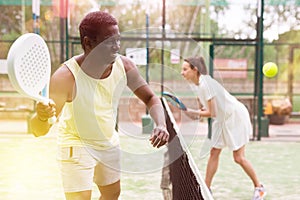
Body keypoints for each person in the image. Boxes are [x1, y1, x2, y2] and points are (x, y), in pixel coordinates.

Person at [30, 11, 169, 200]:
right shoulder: (66, 77)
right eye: (109, 42)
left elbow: (151, 98)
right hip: (76, 143)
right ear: (88, 43)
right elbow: (40, 130)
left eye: (118, 40)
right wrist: (42, 117)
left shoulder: (125, 66)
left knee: (112, 195)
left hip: (108, 142)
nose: (116, 47)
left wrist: (161, 124)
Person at [180, 56, 266, 200]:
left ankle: (260, 187)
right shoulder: (196, 85)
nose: (182, 73)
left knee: (238, 158)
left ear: (195, 70)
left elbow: (211, 113)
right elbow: (206, 107)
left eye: (185, 69)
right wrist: (198, 110)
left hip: (235, 117)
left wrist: (191, 111)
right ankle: (206, 189)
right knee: (214, 152)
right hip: (221, 120)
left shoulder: (206, 84)